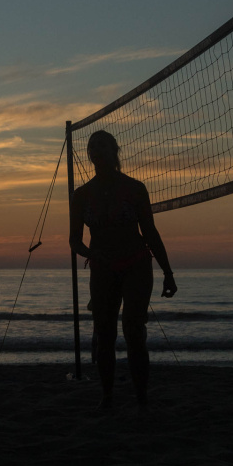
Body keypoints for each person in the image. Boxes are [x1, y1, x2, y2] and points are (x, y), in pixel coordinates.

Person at [69, 130, 177, 408]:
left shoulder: (135, 188)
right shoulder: (81, 195)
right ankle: (107, 397)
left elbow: (150, 232)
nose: (97, 152)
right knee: (104, 333)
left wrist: (168, 272)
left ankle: (141, 397)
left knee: (133, 330)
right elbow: (74, 240)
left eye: (102, 146)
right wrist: (93, 254)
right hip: (102, 268)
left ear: (115, 150)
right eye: (92, 148)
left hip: (136, 265)